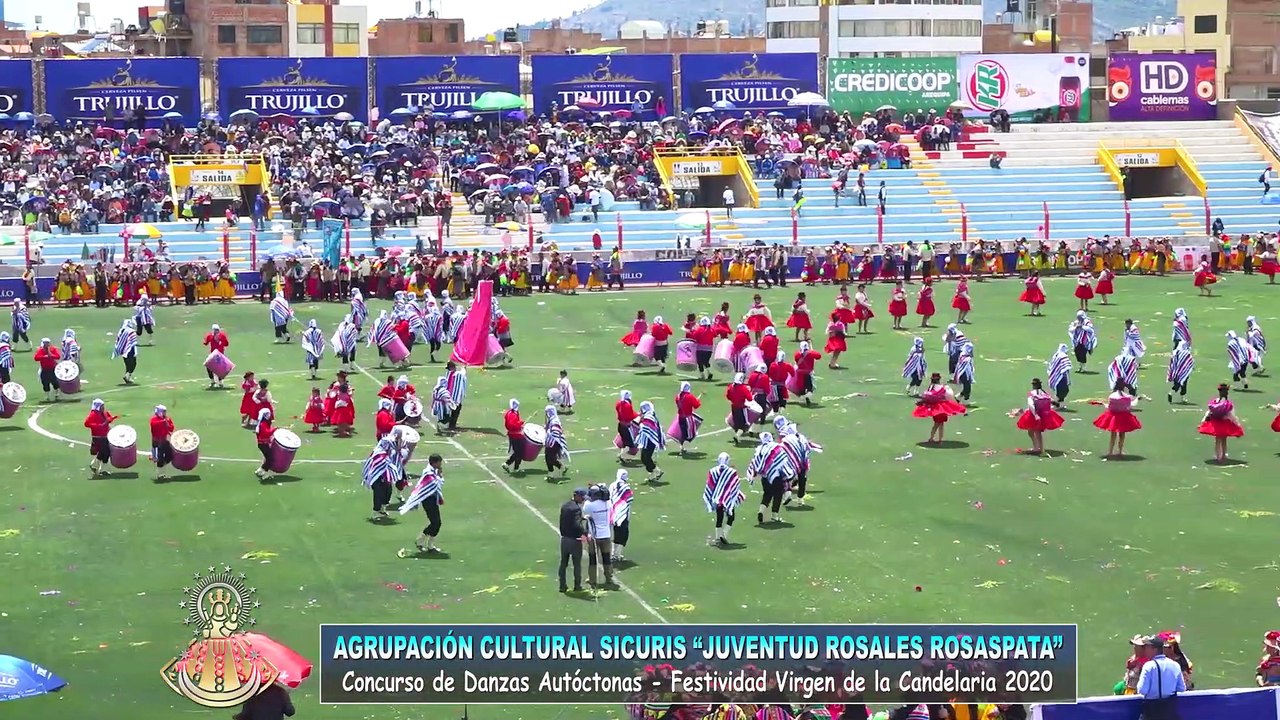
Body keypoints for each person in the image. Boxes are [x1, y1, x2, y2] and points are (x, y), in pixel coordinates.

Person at [399, 453, 445, 554]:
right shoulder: (429, 473)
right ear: (434, 463)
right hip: (428, 500)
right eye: (439, 462)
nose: (440, 464)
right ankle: (425, 542)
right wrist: (440, 475)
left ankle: (427, 543)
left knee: (435, 522)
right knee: (436, 522)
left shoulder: (432, 471)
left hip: (431, 499)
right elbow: (436, 484)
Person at [748, 431, 796, 525]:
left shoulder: (759, 449)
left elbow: (755, 462)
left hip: (765, 477)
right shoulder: (777, 447)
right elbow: (783, 461)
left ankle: (761, 511)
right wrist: (788, 473)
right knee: (778, 495)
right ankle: (775, 515)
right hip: (776, 476)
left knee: (767, 495)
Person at [1136, 635, 1186, 720]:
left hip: (1152, 711)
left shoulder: (1149, 666)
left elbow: (1142, 690)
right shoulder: (1175, 665)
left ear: (1154, 649)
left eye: (1147, 647)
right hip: (1169, 711)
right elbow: (1181, 688)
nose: (1144, 650)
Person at [913, 373, 967, 445]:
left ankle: (932, 438)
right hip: (942, 407)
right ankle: (939, 439)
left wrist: (921, 402)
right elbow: (949, 396)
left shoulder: (931, 387)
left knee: (937, 424)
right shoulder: (943, 387)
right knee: (940, 424)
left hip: (935, 408)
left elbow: (927, 397)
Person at [704, 453, 744, 547]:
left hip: (717, 498)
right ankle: (724, 534)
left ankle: (718, 538)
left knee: (719, 518)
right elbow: (735, 484)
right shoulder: (732, 472)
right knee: (731, 517)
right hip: (728, 498)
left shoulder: (713, 471)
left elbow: (710, 484)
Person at [1094, 380, 1141, 459]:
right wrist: (1138, 398)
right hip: (1124, 417)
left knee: (1113, 434)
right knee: (1122, 435)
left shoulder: (1112, 396)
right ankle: (1120, 451)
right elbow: (1131, 405)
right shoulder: (1127, 396)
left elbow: (1109, 407)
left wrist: (1102, 403)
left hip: (1114, 417)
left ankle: (1110, 451)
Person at [1016, 379, 1064, 455]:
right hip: (1045, 414)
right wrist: (1055, 403)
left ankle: (1038, 448)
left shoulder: (1032, 394)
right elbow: (1051, 400)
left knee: (1033, 431)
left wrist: (1035, 415)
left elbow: (1031, 405)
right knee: (1035, 431)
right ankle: (1038, 447)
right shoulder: (1044, 393)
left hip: (1034, 414)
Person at [1198, 383, 1244, 463]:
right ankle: (1223, 456)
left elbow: (1209, 412)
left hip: (1215, 423)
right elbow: (1231, 416)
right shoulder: (1228, 404)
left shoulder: (1214, 402)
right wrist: (1238, 424)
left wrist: (1203, 421)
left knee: (1217, 440)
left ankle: (1218, 456)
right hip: (1225, 423)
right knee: (1224, 440)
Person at [363, 431, 402, 522]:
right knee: (378, 493)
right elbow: (380, 465)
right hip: (376, 476)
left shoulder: (386, 452)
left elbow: (397, 450)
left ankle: (382, 509)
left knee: (388, 491)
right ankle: (375, 512)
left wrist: (399, 439)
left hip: (384, 475)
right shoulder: (379, 453)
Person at [582, 484, 615, 588]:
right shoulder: (608, 503)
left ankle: (592, 579)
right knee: (606, 557)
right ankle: (609, 577)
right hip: (606, 534)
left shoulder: (589, 505)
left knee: (593, 558)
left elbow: (585, 512)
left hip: (594, 536)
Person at [557, 488, 587, 593]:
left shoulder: (565, 506)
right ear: (577, 496)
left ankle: (562, 586)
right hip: (574, 541)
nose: (583, 499)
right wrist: (585, 533)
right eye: (582, 497)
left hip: (564, 539)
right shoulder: (576, 509)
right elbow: (576, 525)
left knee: (563, 563)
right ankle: (577, 586)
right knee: (577, 564)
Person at [83, 398, 118, 477]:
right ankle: (98, 467)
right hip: (98, 437)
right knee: (105, 451)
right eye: (102, 406)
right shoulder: (93, 414)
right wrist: (99, 426)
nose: (103, 407)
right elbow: (86, 423)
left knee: (105, 452)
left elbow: (107, 420)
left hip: (105, 435)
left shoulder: (104, 413)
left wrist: (112, 418)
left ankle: (97, 466)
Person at [636, 401, 666, 483]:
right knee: (644, 458)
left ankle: (657, 472)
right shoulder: (648, 414)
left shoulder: (649, 416)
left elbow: (647, 427)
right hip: (647, 439)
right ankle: (654, 472)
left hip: (650, 440)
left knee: (646, 457)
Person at [607, 470, 633, 562]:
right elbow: (629, 501)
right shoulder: (626, 487)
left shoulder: (612, 485)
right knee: (623, 535)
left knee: (616, 533)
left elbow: (609, 498)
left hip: (613, 513)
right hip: (623, 514)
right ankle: (616, 554)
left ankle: (614, 553)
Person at [672, 381, 703, 454]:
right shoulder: (689, 396)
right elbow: (697, 405)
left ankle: (682, 447)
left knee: (683, 432)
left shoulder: (678, 396)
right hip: (688, 417)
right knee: (691, 433)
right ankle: (683, 447)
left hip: (680, 417)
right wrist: (697, 400)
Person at [544, 405, 570, 482]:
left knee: (550, 458)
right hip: (550, 442)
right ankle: (561, 468)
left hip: (554, 443)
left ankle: (552, 473)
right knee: (548, 458)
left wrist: (549, 432)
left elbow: (556, 432)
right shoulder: (551, 420)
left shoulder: (554, 421)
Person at [150, 405, 175, 480]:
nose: (165, 413)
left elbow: (171, 428)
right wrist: (163, 422)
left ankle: (162, 467)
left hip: (164, 441)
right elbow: (154, 426)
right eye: (163, 411)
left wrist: (167, 424)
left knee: (170, 456)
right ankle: (160, 474)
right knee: (160, 458)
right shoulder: (154, 419)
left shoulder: (167, 419)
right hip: (157, 442)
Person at [33, 337, 62, 403]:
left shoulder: (53, 349)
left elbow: (58, 356)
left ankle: (57, 394)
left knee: (55, 382)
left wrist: (51, 355)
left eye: (47, 343)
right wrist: (45, 356)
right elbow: (36, 358)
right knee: (45, 383)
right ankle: (47, 396)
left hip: (52, 368)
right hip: (44, 369)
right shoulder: (41, 350)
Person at [113, 318, 140, 385]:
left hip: (123, 351)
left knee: (127, 364)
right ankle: (127, 376)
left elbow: (118, 340)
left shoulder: (121, 331)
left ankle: (127, 377)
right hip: (130, 350)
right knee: (133, 364)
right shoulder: (131, 331)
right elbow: (133, 342)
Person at [202, 323, 230, 389]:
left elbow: (226, 344)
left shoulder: (222, 336)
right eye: (215, 330)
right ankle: (212, 381)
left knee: (219, 368)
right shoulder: (210, 336)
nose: (216, 331)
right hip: (213, 354)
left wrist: (220, 341)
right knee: (208, 366)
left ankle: (220, 382)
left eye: (217, 330)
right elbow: (206, 343)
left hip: (220, 354)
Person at [501, 399, 525, 473]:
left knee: (518, 452)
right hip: (516, 435)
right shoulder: (513, 414)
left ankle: (516, 468)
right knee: (519, 452)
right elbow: (513, 424)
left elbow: (507, 424)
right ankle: (508, 464)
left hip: (512, 434)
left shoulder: (509, 413)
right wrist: (520, 423)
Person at [615, 390, 640, 461]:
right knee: (631, 444)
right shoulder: (627, 405)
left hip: (621, 425)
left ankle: (621, 455)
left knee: (624, 442)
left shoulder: (618, 403)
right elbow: (630, 416)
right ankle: (621, 455)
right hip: (627, 427)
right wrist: (638, 414)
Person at [253, 409, 276, 480]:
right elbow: (267, 433)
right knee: (270, 459)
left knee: (268, 458)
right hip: (263, 444)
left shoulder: (263, 423)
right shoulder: (263, 424)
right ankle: (265, 473)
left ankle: (260, 470)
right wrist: (274, 429)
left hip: (262, 444)